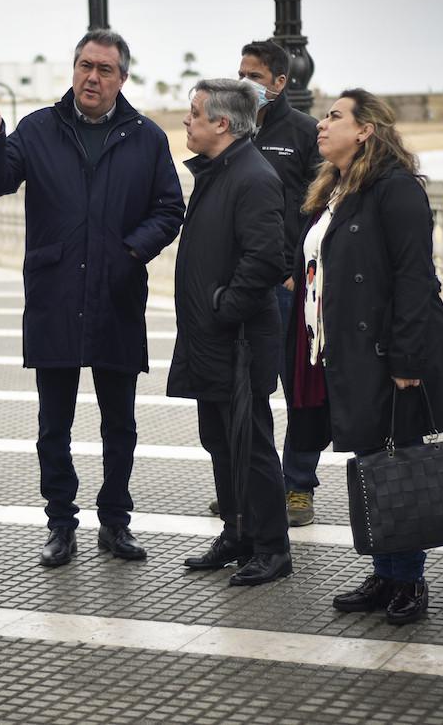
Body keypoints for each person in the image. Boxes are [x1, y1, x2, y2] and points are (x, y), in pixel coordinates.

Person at [0, 29, 185, 567]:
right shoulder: (38, 129)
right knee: (53, 424)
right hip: (56, 292)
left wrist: (130, 253)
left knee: (121, 422)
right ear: (73, 68)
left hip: (116, 293)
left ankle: (115, 521)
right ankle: (60, 524)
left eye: (104, 69)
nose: (92, 77)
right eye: (85, 65)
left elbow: (169, 209)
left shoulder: (147, 137)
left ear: (122, 78)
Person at [285, 89, 443, 626]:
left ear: (365, 130)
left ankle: (409, 580)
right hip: (346, 351)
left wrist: (407, 360)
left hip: (391, 353)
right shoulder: (337, 188)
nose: (322, 124)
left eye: (335, 116)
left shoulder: (395, 189)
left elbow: (416, 278)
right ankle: (386, 573)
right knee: (372, 461)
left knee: (399, 459)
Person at [171, 79, 293, 586]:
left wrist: (224, 308)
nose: (187, 121)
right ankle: (236, 532)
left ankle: (271, 548)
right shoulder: (218, 171)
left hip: (237, 339)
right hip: (211, 337)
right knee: (219, 441)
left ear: (222, 123)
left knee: (251, 445)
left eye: (195, 114)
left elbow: (267, 259)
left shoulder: (252, 176)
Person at [230, 38, 322, 527]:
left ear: (281, 82)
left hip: (289, 289)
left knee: (298, 390)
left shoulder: (305, 132)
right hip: (245, 285)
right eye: (241, 72)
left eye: (256, 76)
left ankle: (298, 486)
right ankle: (251, 484)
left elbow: (320, 205)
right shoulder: (232, 129)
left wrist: (294, 270)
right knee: (246, 389)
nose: (246, 83)